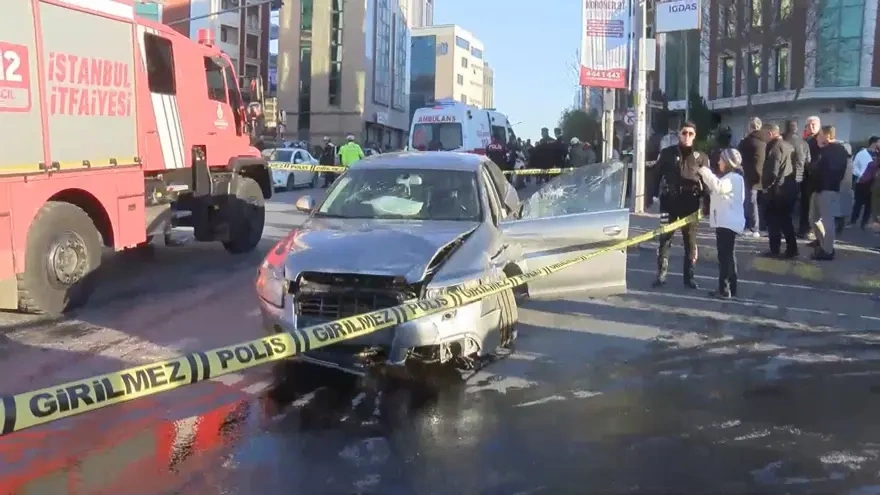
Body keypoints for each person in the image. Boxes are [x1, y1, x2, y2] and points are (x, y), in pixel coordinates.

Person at [648, 121, 709, 289]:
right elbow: (655, 176)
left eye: (690, 133)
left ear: (695, 136)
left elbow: (707, 182)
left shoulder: (701, 157)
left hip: (691, 206)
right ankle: (661, 275)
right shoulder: (667, 153)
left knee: (690, 242)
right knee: (665, 240)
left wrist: (707, 204)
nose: (687, 136)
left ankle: (689, 278)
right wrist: (649, 198)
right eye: (684, 133)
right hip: (669, 203)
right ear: (679, 134)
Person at [697, 148, 745, 299]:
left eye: (721, 160)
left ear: (729, 162)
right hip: (726, 222)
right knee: (726, 256)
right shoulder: (732, 178)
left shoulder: (733, 178)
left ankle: (726, 289)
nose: (719, 162)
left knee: (726, 257)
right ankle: (728, 288)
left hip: (727, 224)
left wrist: (705, 171)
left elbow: (717, 187)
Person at [808, 125, 849, 260]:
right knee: (815, 219)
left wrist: (811, 167)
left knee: (826, 221)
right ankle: (823, 244)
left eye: (820, 135)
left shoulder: (829, 151)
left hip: (826, 188)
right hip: (823, 188)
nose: (817, 138)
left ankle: (828, 250)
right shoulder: (841, 151)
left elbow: (819, 168)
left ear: (827, 136)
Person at [760, 123, 798, 258]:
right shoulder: (788, 146)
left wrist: (765, 187)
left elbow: (772, 172)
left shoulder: (775, 148)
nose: (763, 137)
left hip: (776, 191)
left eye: (764, 134)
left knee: (773, 221)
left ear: (770, 134)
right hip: (789, 188)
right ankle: (792, 248)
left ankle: (775, 249)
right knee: (785, 221)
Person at [737, 117, 769, 238]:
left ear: (750, 127)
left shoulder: (747, 141)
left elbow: (739, 156)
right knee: (761, 203)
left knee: (751, 203)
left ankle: (753, 227)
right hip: (764, 175)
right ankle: (762, 227)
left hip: (751, 175)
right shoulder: (765, 140)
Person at [799, 116, 822, 238]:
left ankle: (810, 230)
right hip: (804, 177)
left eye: (813, 125)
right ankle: (803, 228)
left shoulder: (819, 140)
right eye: (809, 125)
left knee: (812, 206)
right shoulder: (806, 139)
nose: (811, 127)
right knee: (804, 204)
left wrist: (808, 166)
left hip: (814, 177)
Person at [851, 136, 878, 228]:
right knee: (858, 202)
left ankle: (864, 222)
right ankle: (853, 220)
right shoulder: (862, 153)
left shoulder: (878, 155)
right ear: (874, 143)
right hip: (862, 182)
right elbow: (854, 167)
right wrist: (861, 175)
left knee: (870, 204)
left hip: (874, 183)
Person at [836, 142, 855, 234]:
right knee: (841, 212)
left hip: (840, 188)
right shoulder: (850, 161)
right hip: (846, 189)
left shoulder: (842, 161)